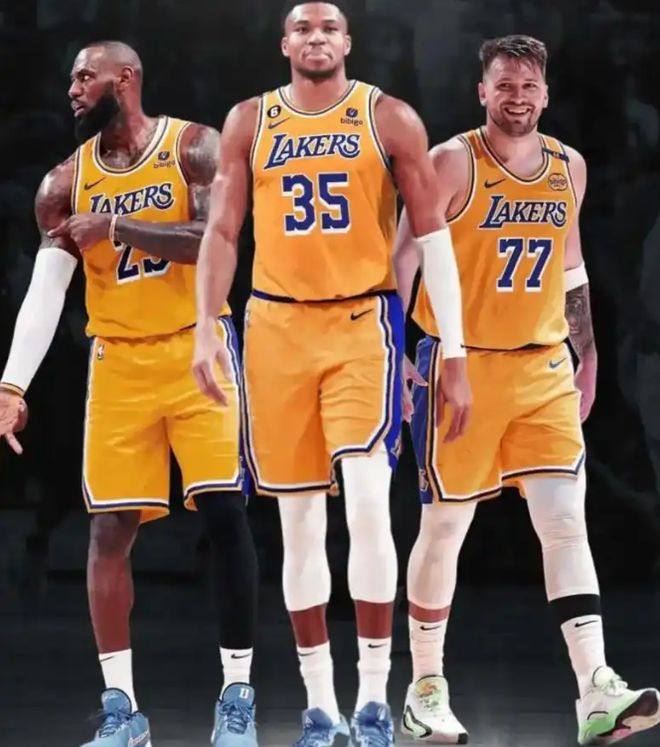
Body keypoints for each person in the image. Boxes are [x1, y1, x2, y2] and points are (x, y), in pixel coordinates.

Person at [192, 2, 471, 745]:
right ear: (284, 43)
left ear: (347, 41)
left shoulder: (388, 117)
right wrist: (205, 323)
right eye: (302, 28)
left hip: (360, 323)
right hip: (274, 326)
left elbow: (434, 237)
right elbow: (222, 230)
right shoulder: (249, 120)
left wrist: (454, 351)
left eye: (327, 28)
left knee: (370, 506)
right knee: (299, 523)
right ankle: (320, 706)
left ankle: (374, 698)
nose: (315, 38)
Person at [394, 34, 660, 746]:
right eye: (504, 85)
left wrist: (588, 351)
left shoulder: (569, 167)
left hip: (542, 366)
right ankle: (425, 689)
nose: (517, 97)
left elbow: (570, 264)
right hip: (462, 366)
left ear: (546, 93)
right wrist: (398, 354)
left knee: (565, 522)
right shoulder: (451, 161)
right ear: (482, 92)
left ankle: (596, 687)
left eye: (529, 85)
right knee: (445, 527)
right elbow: (402, 258)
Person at [0, 41, 260, 747]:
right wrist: (12, 383)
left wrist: (116, 226)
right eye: (71, 80)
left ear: (127, 78)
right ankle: (123, 710)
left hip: (198, 346)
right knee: (108, 531)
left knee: (225, 515)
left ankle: (237, 696)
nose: (74, 90)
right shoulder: (63, 184)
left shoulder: (193, 146)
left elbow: (215, 240)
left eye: (86, 77)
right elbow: (45, 294)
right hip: (118, 361)